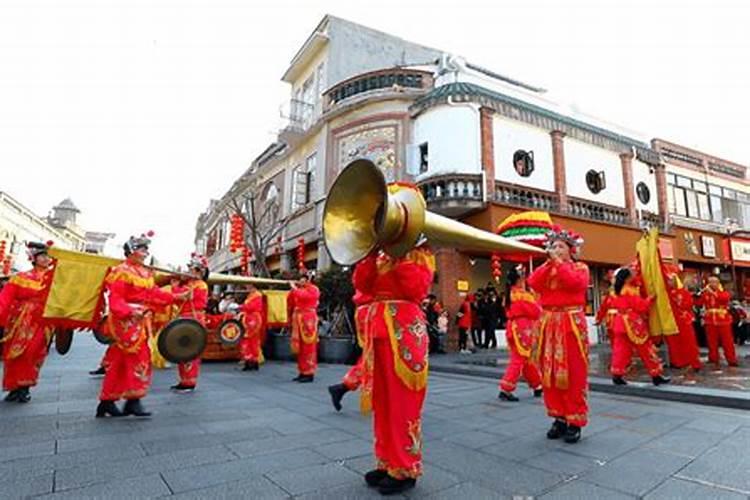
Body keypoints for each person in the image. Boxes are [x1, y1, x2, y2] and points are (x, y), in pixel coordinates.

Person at [353, 239, 434, 495]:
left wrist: (400, 257)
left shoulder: (421, 255)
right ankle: (386, 462)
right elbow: (362, 286)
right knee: (382, 402)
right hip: (377, 332)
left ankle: (406, 467)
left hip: (404, 331)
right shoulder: (378, 256)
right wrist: (368, 255)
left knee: (403, 403)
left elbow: (416, 290)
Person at [96, 233, 184, 418]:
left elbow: (153, 294)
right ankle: (132, 401)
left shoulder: (145, 273)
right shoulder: (121, 271)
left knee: (119, 361)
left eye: (146, 249)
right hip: (126, 322)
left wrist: (176, 297)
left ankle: (108, 401)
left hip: (141, 321)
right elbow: (115, 300)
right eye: (141, 248)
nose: (145, 252)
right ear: (131, 251)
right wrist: (129, 311)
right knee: (139, 358)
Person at [527, 227, 589, 444]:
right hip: (548, 323)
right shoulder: (547, 268)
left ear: (571, 251)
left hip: (570, 323)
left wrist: (559, 263)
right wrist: (548, 263)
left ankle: (575, 420)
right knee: (549, 373)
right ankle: (558, 417)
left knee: (573, 372)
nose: (555, 249)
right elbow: (533, 282)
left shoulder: (581, 268)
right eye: (553, 246)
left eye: (561, 246)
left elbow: (574, 283)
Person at [0, 241, 55, 403]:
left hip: (41, 321)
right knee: (13, 353)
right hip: (18, 321)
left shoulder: (54, 279)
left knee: (32, 352)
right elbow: (5, 299)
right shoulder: (20, 278)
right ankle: (13, 387)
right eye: (43, 256)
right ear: (34, 258)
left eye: (48, 256)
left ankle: (25, 387)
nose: (46, 259)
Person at [608, 267, 671, 386]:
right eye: (632, 274)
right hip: (632, 322)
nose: (634, 276)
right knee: (646, 349)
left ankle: (617, 374)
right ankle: (655, 374)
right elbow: (640, 306)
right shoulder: (630, 290)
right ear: (627, 278)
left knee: (620, 350)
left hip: (619, 321)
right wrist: (650, 299)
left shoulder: (614, 290)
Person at [498, 266, 543, 401]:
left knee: (526, 359)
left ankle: (537, 385)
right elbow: (536, 312)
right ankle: (506, 389)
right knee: (519, 359)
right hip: (523, 328)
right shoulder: (523, 295)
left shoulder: (509, 294)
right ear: (519, 279)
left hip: (513, 327)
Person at [327, 290, 372, 411]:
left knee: (372, 361)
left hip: (369, 311)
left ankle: (341, 388)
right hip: (372, 313)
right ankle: (341, 388)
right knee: (373, 361)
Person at [171, 254, 209, 393]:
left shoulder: (200, 285)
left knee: (191, 351)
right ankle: (183, 380)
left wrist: (175, 287)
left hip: (194, 318)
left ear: (198, 271)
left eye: (191, 269)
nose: (188, 271)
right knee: (182, 350)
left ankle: (190, 382)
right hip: (185, 318)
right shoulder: (190, 284)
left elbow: (185, 296)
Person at [697, 276, 738, 367]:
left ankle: (731, 359)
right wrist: (699, 294)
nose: (712, 284)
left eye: (714, 282)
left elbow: (723, 299)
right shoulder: (706, 294)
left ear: (718, 283)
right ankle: (713, 358)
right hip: (710, 321)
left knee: (727, 341)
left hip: (723, 320)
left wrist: (712, 293)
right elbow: (699, 303)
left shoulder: (724, 293)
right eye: (710, 282)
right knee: (711, 341)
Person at [665, 273, 702, 371]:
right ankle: (677, 362)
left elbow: (688, 304)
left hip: (683, 320)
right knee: (673, 342)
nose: (669, 282)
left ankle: (694, 362)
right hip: (671, 320)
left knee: (689, 342)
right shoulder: (666, 293)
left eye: (671, 280)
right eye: (668, 280)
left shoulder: (683, 292)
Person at [288, 272, 320, 382]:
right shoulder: (301, 289)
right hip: (299, 319)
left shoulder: (314, 289)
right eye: (300, 279)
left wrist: (294, 288)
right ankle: (302, 371)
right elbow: (291, 300)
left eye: (303, 280)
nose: (301, 282)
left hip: (308, 319)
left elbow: (304, 296)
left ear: (308, 280)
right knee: (301, 348)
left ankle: (309, 373)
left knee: (308, 348)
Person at [238, 282, 264, 371]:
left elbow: (251, 307)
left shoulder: (257, 295)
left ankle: (253, 361)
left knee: (253, 340)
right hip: (248, 318)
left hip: (253, 319)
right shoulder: (251, 295)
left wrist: (241, 307)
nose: (247, 287)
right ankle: (249, 361)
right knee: (247, 341)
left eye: (248, 285)